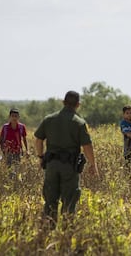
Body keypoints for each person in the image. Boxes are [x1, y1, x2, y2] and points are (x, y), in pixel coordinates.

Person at [34, 90, 99, 229]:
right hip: (69, 167)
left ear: (63, 102)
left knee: (50, 201)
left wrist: (40, 157)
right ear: (78, 105)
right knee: (69, 201)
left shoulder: (49, 119)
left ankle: (49, 231)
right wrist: (93, 165)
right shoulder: (79, 123)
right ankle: (67, 232)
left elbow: (38, 140)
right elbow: (87, 145)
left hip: (51, 165)